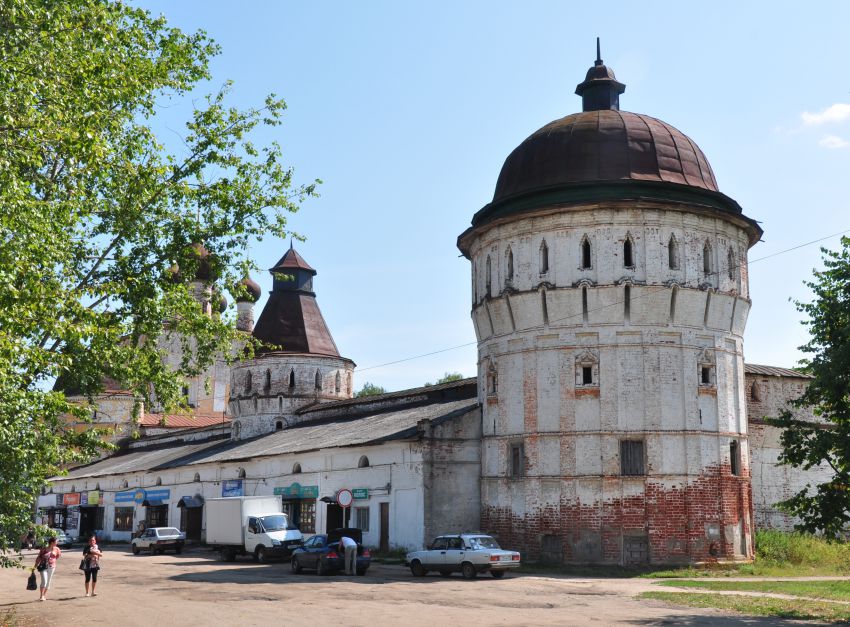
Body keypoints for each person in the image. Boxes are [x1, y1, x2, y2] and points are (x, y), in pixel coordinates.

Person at [34, 537, 61, 601]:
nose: (57, 543)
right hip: (43, 566)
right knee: (44, 581)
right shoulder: (44, 549)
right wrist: (34, 566)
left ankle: (43, 595)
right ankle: (41, 596)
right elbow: (39, 558)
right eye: (56, 542)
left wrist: (52, 561)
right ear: (52, 542)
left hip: (52, 567)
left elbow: (58, 556)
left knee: (48, 582)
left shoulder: (57, 549)